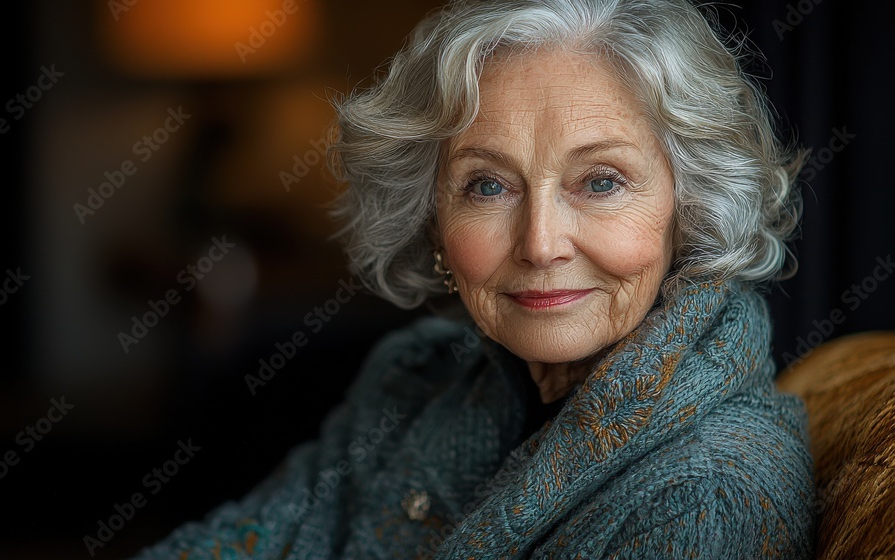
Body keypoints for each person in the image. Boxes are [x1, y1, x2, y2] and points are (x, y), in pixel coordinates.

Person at [133, 0, 814, 557]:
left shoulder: (709, 493)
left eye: (601, 182)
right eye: (487, 185)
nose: (541, 243)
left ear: (688, 209)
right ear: (433, 220)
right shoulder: (413, 377)